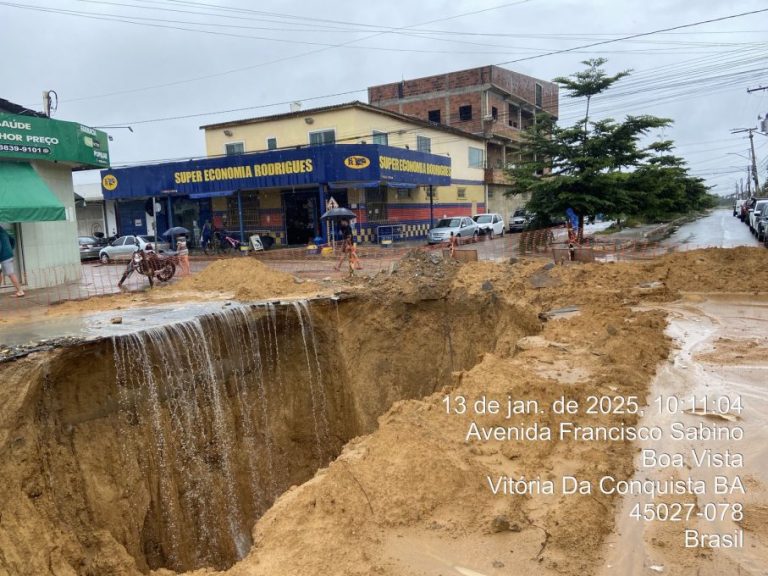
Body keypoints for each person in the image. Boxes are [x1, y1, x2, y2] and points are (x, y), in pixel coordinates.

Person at [0, 226, 24, 297]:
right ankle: (20, 291)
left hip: (4, 256)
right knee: (5, 273)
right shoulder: (3, 232)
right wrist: (10, 249)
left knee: (10, 273)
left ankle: (20, 291)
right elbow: (12, 240)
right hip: (8, 254)